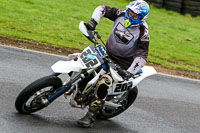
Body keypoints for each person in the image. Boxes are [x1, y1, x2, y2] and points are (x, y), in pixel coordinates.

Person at [77, 0, 150, 128]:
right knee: (82, 61)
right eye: (129, 12)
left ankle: (90, 115)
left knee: (104, 82)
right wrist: (93, 22)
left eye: (134, 16)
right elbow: (102, 8)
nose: (130, 16)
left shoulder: (143, 32)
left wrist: (129, 72)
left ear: (141, 18)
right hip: (106, 51)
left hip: (122, 64)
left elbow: (142, 55)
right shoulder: (121, 14)